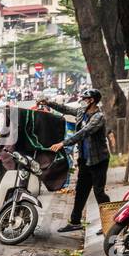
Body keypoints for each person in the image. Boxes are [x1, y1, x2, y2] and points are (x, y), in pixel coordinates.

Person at [41, 87, 108, 233]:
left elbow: (83, 133)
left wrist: (63, 143)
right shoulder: (81, 112)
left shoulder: (98, 117)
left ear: (92, 101)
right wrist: (48, 103)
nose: (82, 101)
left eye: (85, 99)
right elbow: (64, 109)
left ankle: (109, 222)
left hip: (98, 160)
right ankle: (75, 222)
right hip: (84, 160)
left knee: (99, 192)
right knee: (81, 191)